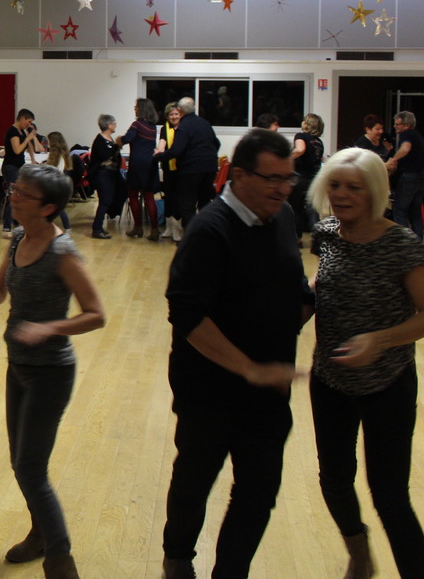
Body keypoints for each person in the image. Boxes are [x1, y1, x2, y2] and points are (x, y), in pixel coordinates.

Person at [161, 129, 313, 579]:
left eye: (288, 179)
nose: (283, 189)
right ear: (240, 175)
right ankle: (178, 559)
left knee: (258, 493)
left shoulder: (283, 216)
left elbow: (292, 289)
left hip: (268, 394)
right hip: (209, 393)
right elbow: (187, 316)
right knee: (194, 482)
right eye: (272, 179)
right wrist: (249, 368)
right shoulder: (209, 230)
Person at [0, 164, 105, 579]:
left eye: (23, 194)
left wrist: (50, 328)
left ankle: (60, 560)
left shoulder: (63, 253)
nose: (13, 196)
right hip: (19, 365)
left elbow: (96, 314)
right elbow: (0, 288)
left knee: (30, 467)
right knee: (21, 461)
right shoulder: (18, 237)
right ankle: (40, 532)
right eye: (15, 189)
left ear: (47, 208)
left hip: (51, 373)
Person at [306, 148, 424, 578]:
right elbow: (323, 280)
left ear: (374, 191)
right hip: (329, 380)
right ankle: (359, 552)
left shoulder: (401, 245)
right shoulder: (326, 233)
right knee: (334, 481)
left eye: (353, 187)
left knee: (389, 495)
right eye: (335, 185)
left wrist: (381, 339)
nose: (341, 194)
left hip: (387, 384)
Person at [154, 97, 221, 225]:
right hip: (210, 167)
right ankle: (205, 231)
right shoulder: (204, 123)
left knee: (187, 205)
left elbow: (176, 151)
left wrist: (158, 156)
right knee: (205, 202)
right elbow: (217, 143)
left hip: (192, 169)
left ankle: (192, 233)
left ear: (180, 110)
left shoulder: (184, 126)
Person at [121, 98, 161, 241]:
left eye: (137, 106)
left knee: (133, 195)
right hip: (151, 163)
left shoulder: (137, 125)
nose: (135, 108)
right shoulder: (153, 127)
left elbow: (127, 139)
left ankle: (138, 227)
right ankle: (154, 229)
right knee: (149, 197)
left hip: (137, 164)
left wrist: (119, 139)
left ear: (142, 109)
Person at [2, 109, 44, 234]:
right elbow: (17, 150)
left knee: (19, 196)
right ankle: (6, 227)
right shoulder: (13, 131)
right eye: (28, 121)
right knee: (14, 196)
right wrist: (27, 139)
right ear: (22, 118)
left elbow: (30, 147)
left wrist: (33, 159)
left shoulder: (22, 131)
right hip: (10, 167)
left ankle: (16, 224)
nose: (29, 124)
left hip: (18, 167)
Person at [386, 111, 424, 238]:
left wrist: (393, 160)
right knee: (415, 212)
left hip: (408, 177)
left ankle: (405, 241)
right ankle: (418, 242)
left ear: (407, 125)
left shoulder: (407, 134)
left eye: (398, 124)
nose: (395, 126)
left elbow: (406, 148)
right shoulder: (418, 136)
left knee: (399, 210)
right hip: (420, 177)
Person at [289, 112, 325, 242]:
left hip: (300, 178)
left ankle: (297, 239)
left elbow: (300, 150)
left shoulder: (301, 136)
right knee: (312, 210)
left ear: (307, 124)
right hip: (314, 179)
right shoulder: (319, 142)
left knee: (296, 208)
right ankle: (317, 240)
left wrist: (286, 157)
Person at [88, 114, 123, 240]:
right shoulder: (100, 140)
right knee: (105, 201)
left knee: (107, 201)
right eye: (114, 123)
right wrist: (117, 146)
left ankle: (99, 227)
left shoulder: (110, 139)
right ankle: (96, 229)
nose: (115, 125)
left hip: (111, 174)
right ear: (109, 125)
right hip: (102, 174)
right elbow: (105, 156)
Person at [158, 102, 183, 241]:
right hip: (167, 167)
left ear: (180, 115)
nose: (174, 117)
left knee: (178, 198)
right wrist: (158, 151)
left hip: (181, 168)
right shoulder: (164, 128)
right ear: (167, 116)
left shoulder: (184, 127)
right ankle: (168, 227)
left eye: (176, 114)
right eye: (171, 114)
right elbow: (162, 143)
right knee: (168, 197)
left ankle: (177, 229)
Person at [44, 131, 74, 231]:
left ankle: (66, 227)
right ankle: (66, 227)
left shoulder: (57, 156)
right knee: (58, 208)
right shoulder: (63, 155)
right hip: (58, 184)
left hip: (54, 184)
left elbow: (53, 170)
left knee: (56, 208)